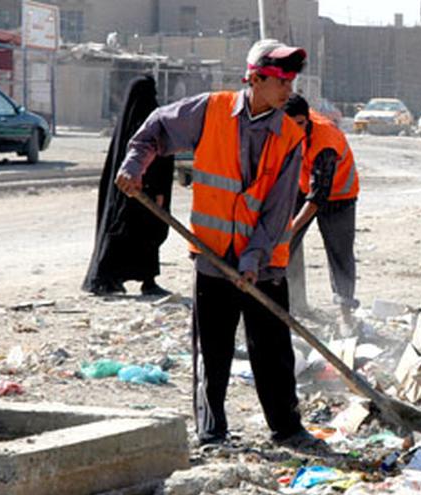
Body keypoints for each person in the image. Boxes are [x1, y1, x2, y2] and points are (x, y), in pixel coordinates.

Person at [115, 40, 326, 452]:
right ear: (255, 78)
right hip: (212, 256)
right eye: (281, 80)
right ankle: (211, 432)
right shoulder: (210, 111)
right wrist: (133, 164)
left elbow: (278, 210)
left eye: (291, 81)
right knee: (211, 351)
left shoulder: (289, 135)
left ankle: (286, 428)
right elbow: (155, 129)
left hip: (264, 262)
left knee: (273, 350)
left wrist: (252, 258)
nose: (288, 89)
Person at [82, 75, 174, 296]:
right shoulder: (152, 122)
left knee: (131, 233)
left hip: (126, 193)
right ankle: (115, 278)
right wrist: (160, 191)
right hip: (145, 192)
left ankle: (131, 279)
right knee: (144, 235)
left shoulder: (126, 124)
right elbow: (161, 160)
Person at [282, 94, 360, 333]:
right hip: (305, 186)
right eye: (290, 125)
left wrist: (292, 227)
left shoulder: (324, 141)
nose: (295, 130)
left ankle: (345, 316)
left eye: (299, 124)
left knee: (340, 255)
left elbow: (318, 198)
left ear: (307, 120)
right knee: (283, 248)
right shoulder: (287, 124)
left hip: (339, 197)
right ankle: (289, 303)